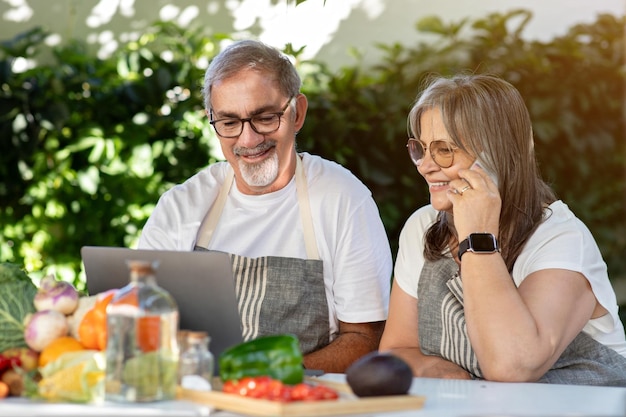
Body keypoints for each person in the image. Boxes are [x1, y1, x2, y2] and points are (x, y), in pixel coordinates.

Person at [137, 39, 392, 373]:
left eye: (265, 117)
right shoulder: (182, 205)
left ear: (297, 112)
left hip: (298, 398)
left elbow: (364, 340)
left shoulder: (343, 199)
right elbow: (141, 319)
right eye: (229, 122)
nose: (248, 139)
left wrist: (266, 380)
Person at [379, 73, 626, 385]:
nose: (425, 166)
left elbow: (512, 367)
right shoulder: (423, 227)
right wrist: (432, 369)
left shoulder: (561, 239)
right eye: (421, 148)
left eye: (443, 150)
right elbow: (395, 350)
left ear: (495, 155)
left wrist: (477, 237)